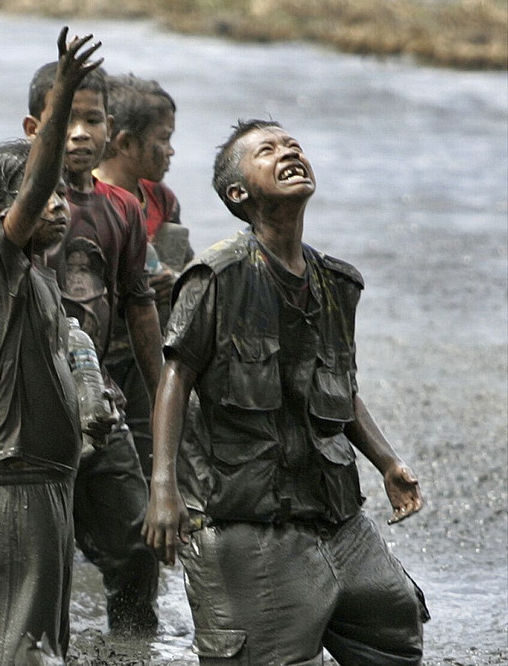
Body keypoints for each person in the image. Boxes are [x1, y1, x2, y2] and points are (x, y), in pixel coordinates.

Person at [143, 120, 429, 663]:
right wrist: (163, 488)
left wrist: (387, 463)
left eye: (293, 145)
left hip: (331, 513)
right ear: (238, 193)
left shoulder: (334, 283)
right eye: (267, 150)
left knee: (395, 628)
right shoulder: (217, 275)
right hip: (244, 516)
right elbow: (174, 378)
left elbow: (340, 389)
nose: (289, 152)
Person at [0, 29, 101, 663]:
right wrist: (62, 92)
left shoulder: (38, 280)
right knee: (17, 646)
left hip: (48, 482)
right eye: (45, 196)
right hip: (13, 485)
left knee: (40, 641)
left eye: (66, 195)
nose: (58, 204)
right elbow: (34, 184)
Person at [27, 61, 162, 635]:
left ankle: (132, 646)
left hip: (102, 401)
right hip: (34, 402)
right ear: (36, 128)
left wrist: (161, 396)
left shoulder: (123, 208)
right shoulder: (25, 204)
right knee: (41, 554)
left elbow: (138, 305)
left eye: (92, 119)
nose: (80, 133)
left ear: (111, 128)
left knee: (136, 542)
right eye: (66, 119)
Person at [94, 73, 190, 478]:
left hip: (149, 350)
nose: (170, 151)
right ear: (125, 142)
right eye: (163, 139)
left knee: (153, 452)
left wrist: (175, 277)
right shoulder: (83, 199)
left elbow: (185, 263)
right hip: (100, 354)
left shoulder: (160, 199)